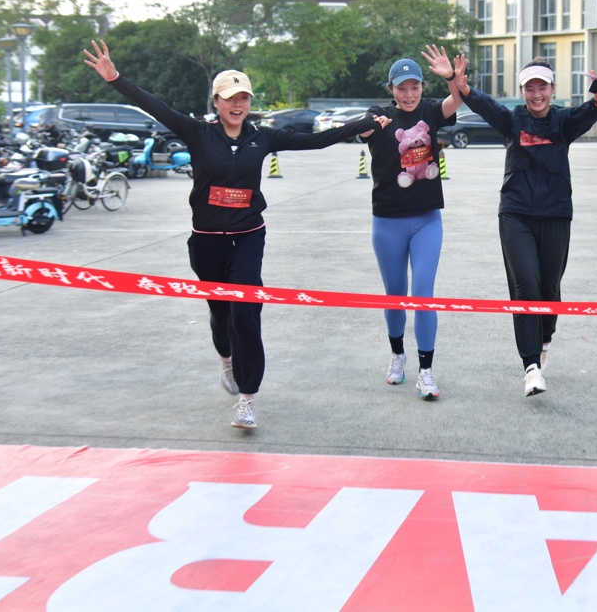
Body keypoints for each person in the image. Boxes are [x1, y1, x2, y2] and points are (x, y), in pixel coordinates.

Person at [83, 40, 389, 430]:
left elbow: (316, 140)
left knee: (246, 313)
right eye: (230, 98)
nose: (237, 104)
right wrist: (116, 79)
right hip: (206, 240)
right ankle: (226, 359)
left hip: (247, 237)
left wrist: (364, 124)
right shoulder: (197, 133)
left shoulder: (262, 137)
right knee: (220, 313)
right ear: (217, 102)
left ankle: (247, 398)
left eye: (243, 97)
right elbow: (154, 106)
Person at [440, 53, 597, 397]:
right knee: (525, 285)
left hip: (555, 214)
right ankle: (531, 367)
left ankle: (545, 339)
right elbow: (486, 105)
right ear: (522, 91)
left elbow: (590, 111)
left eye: (542, 87)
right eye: (530, 88)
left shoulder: (563, 122)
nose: (536, 94)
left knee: (549, 287)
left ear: (553, 89)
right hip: (516, 213)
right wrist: (460, 86)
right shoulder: (513, 121)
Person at [357, 51, 461, 400]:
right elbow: (363, 129)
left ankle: (426, 371)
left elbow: (457, 100)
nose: (409, 94)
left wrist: (451, 78)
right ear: (392, 89)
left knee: (423, 294)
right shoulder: (380, 114)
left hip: (426, 221)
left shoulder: (430, 110)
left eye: (414, 87)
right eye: (402, 88)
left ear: (422, 87)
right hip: (387, 222)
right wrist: (370, 124)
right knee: (396, 294)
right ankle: (397, 354)